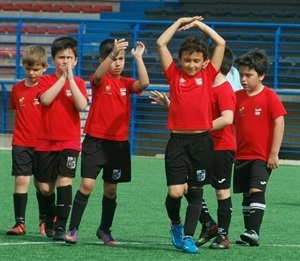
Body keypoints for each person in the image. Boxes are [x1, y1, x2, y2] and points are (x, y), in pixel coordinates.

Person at [150, 46, 236, 250]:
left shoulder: (221, 88)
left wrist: (200, 126)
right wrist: (171, 106)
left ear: (208, 62)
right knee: (181, 190)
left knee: (218, 191)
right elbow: (187, 114)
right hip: (192, 143)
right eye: (188, 60)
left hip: (219, 146)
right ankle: (206, 225)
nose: (193, 65)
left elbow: (227, 118)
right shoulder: (197, 84)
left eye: (198, 61)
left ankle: (221, 235)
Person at [64, 38, 149, 245]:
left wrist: (137, 57)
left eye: (121, 59)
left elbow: (144, 83)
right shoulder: (99, 79)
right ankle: (73, 229)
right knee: (87, 184)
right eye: (114, 58)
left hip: (119, 145)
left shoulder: (126, 83)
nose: (118, 63)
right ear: (104, 59)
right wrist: (112, 53)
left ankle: (104, 229)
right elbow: (100, 74)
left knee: (111, 189)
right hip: (96, 141)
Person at [34, 36, 88, 241]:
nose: (65, 61)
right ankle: (48, 218)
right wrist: (62, 79)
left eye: (69, 57)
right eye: (61, 57)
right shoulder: (46, 79)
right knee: (45, 188)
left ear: (76, 60)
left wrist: (71, 80)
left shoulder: (80, 82)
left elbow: (82, 106)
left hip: (70, 142)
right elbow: (46, 99)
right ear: (53, 59)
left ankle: (60, 227)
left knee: (65, 181)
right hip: (45, 142)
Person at [233, 48, 286, 246]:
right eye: (241, 75)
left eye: (249, 75)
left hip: (261, 156)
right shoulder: (236, 96)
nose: (244, 79)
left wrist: (274, 153)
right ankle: (248, 233)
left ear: (261, 75)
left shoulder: (269, 96)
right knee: (246, 194)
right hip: (241, 155)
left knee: (256, 190)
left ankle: (254, 232)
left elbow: (279, 123)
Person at [6, 45, 48, 236]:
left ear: (45, 67)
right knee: (21, 180)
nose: (32, 73)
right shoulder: (16, 89)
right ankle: (19, 223)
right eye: (28, 68)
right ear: (23, 66)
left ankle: (45, 221)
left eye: (36, 69)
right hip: (21, 142)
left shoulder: (48, 88)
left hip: (44, 143)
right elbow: (17, 114)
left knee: (43, 185)